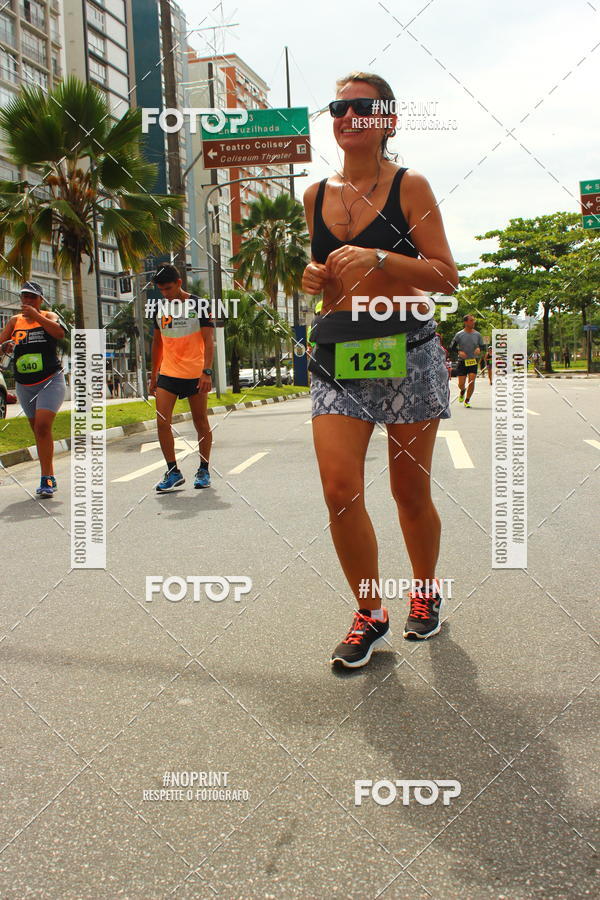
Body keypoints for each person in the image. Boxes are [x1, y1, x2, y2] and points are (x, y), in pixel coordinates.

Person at [302, 71, 458, 668]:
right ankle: (370, 612)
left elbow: (445, 276)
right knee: (339, 491)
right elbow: (328, 280)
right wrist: (312, 277)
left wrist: (380, 257)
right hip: (337, 353)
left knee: (408, 492)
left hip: (405, 351)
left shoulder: (409, 186)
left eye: (360, 107)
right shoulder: (315, 196)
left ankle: (425, 590)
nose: (346, 116)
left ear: (386, 120)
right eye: (337, 107)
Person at [149, 265, 215, 491]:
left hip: (195, 374)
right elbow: (157, 342)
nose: (165, 293)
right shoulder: (159, 307)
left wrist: (207, 372)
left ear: (179, 283)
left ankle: (204, 470)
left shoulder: (199, 305)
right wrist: (153, 374)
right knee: (162, 422)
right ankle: (173, 472)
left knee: (200, 421)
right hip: (168, 373)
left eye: (168, 288)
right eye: (161, 290)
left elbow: (208, 341)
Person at [0, 281, 66, 497]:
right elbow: (0, 345)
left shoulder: (49, 316)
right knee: (37, 430)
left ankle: (46, 479)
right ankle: (49, 474)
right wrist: (5, 346)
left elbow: (59, 333)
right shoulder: (14, 321)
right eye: (25, 297)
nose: (27, 300)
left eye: (32, 297)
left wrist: (36, 316)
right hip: (24, 384)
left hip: (50, 381)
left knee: (43, 426)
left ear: (40, 299)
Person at [450, 315, 485, 407]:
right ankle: (462, 390)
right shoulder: (459, 334)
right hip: (462, 361)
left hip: (473, 361)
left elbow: (483, 346)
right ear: (465, 322)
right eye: (471, 320)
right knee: (461, 384)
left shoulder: (478, 335)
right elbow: (452, 347)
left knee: (471, 381)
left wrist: (479, 349)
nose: (474, 322)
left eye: (474, 320)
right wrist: (459, 352)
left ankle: (467, 400)